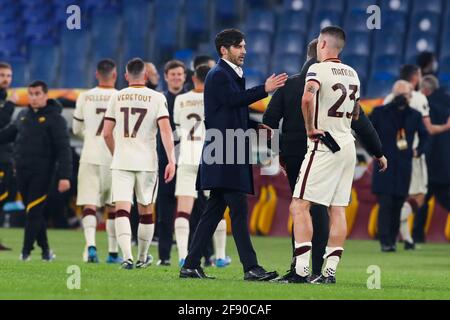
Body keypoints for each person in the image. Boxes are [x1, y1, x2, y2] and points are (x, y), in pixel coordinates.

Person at [264, 39, 387, 283]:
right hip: (337, 148)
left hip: (300, 154)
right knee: (327, 209)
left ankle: (299, 268)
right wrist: (377, 151)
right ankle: (323, 269)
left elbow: (267, 123)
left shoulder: (290, 84)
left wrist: (277, 151)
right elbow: (360, 121)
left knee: (301, 207)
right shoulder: (345, 77)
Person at [180, 28, 287, 280]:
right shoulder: (218, 75)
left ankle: (191, 264)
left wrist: (254, 126)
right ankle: (250, 268)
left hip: (228, 148)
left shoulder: (228, 74)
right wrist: (265, 89)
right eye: (239, 46)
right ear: (223, 50)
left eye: (244, 46)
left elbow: (229, 114)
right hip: (225, 150)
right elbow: (232, 101)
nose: (244, 51)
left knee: (214, 211)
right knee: (238, 211)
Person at [289, 26, 366, 284]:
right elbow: (356, 111)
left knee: (299, 204)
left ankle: (300, 270)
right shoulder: (353, 74)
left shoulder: (317, 69)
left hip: (324, 144)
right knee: (338, 209)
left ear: (322, 44)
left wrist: (311, 128)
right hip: (347, 145)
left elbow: (307, 99)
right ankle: (329, 272)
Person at [103, 58, 176, 270]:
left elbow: (107, 133)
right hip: (147, 162)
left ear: (126, 76)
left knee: (122, 209)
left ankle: (126, 257)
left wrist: (117, 153)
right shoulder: (157, 97)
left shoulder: (117, 96)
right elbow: (165, 130)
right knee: (146, 210)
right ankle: (143, 257)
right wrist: (171, 159)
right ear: (145, 76)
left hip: (122, 161)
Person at [0, 80, 72, 261]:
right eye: (30, 94)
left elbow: (64, 149)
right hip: (22, 173)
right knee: (33, 212)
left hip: (43, 173)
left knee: (33, 211)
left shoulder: (56, 119)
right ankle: (46, 251)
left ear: (46, 95)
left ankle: (25, 253)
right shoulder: (23, 115)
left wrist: (65, 176)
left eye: (37, 94)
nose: (33, 98)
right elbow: (8, 134)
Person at [384, 65, 450, 249]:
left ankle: (408, 239)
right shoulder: (419, 98)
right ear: (416, 77)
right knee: (419, 196)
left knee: (402, 196)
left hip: (391, 154)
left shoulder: (389, 98)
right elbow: (428, 129)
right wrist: (446, 127)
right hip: (412, 154)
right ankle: (392, 221)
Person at [173, 65, 230, 268]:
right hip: (211, 156)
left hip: (187, 156)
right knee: (216, 206)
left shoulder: (180, 99)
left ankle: (182, 256)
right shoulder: (216, 97)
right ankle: (221, 256)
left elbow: (178, 132)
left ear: (193, 78)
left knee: (183, 210)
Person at [72, 59, 121, 263]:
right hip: (114, 156)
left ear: (96, 74)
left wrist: (91, 137)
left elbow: (75, 129)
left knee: (89, 204)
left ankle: (91, 246)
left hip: (89, 155)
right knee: (113, 206)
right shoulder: (120, 96)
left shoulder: (85, 96)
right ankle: (112, 253)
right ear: (115, 75)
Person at [371, 80, 429, 252]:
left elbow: (425, 136)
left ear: (410, 96)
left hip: (404, 166)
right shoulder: (380, 112)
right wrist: (374, 151)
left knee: (397, 204)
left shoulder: (415, 115)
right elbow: (367, 133)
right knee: (385, 204)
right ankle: (384, 241)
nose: (401, 98)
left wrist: (418, 151)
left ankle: (393, 239)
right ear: (393, 95)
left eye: (404, 95)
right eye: (398, 95)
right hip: (384, 165)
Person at [156, 60, 186, 266]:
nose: (176, 77)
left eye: (179, 74)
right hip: (164, 161)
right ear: (166, 77)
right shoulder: (160, 100)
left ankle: (202, 255)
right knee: (165, 211)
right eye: (172, 74)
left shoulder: (191, 100)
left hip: (188, 161)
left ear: (185, 77)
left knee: (195, 211)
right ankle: (164, 256)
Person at [413, 75, 450, 242]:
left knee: (421, 200)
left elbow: (425, 132)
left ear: (425, 90)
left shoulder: (424, 105)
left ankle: (417, 237)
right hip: (446, 161)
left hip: (427, 159)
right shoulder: (447, 101)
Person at [0, 62, 17, 251]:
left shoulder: (4, 97)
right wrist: (11, 104)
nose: (6, 79)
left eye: (9, 75)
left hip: (5, 156)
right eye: (2, 75)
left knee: (4, 198)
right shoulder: (7, 101)